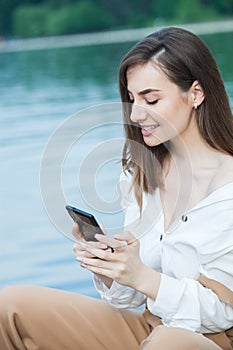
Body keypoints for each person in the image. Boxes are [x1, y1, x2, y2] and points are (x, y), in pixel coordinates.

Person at [0, 26, 232, 350]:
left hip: (210, 340)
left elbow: (222, 313)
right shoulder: (140, 175)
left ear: (196, 93)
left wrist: (144, 278)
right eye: (132, 98)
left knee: (167, 343)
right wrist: (113, 268)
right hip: (150, 328)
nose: (136, 114)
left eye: (151, 99)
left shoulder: (227, 189)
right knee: (10, 306)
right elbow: (132, 296)